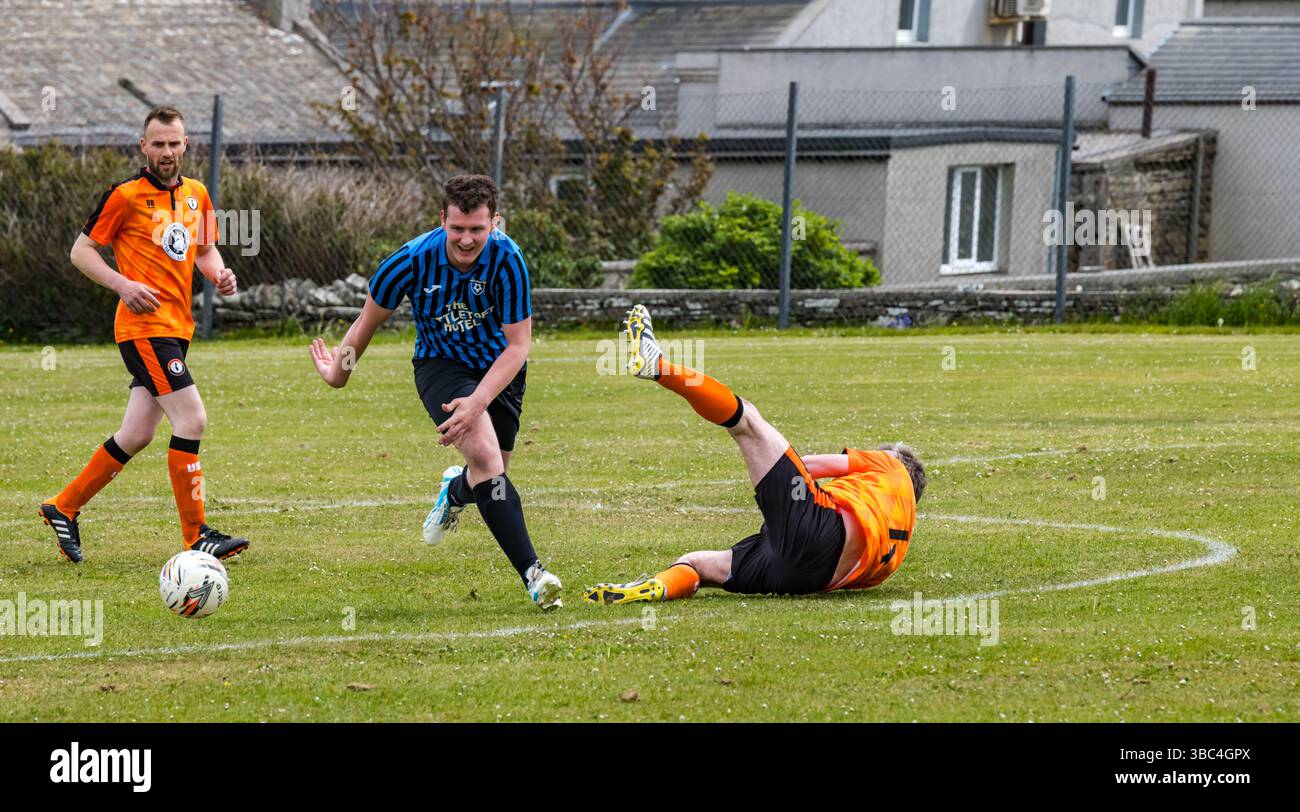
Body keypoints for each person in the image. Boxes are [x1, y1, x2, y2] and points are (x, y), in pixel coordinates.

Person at [308, 174, 562, 611]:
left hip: (499, 368)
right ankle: (535, 576)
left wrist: (479, 400)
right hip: (440, 366)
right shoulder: (408, 261)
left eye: (477, 229)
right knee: (484, 459)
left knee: (493, 473)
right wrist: (338, 374)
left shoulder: (509, 259)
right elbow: (367, 323)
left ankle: (454, 492)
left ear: (494, 223)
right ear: (442, 220)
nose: (467, 239)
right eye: (458, 228)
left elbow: (519, 345)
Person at [585, 305, 925, 604]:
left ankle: (657, 364)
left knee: (747, 419)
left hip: (817, 529)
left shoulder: (890, 464)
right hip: (806, 576)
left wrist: (781, 480)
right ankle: (655, 587)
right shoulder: (897, 550)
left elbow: (808, 466)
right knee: (700, 565)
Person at [40, 106, 249, 563]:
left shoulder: (196, 194)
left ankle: (63, 506)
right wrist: (122, 283)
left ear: (186, 144)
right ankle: (197, 536)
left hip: (176, 329)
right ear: (143, 146)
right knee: (192, 420)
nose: (167, 152)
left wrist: (219, 275)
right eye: (158, 144)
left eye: (174, 143)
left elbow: (206, 249)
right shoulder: (125, 196)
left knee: (136, 433)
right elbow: (81, 251)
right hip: (143, 330)